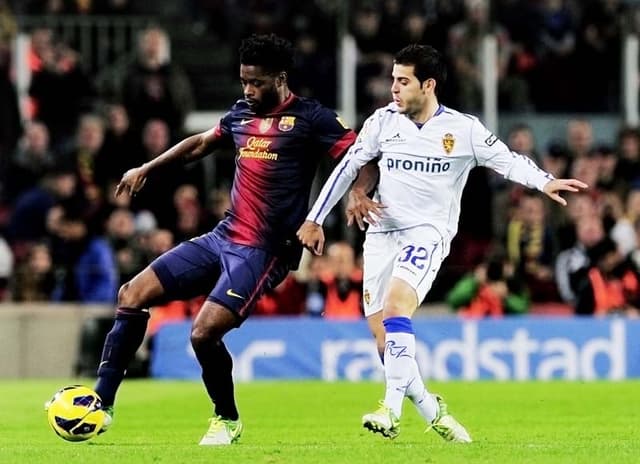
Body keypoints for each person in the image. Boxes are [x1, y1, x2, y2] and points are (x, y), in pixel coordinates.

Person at [297, 44, 588, 442]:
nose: (393, 88)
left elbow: (506, 159)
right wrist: (315, 218)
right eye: (393, 80)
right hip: (381, 234)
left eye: (403, 81)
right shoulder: (382, 122)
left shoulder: (462, 129)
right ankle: (434, 411)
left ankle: (389, 409)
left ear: (428, 84)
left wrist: (544, 181)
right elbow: (348, 167)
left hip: (427, 235)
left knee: (399, 305)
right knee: (386, 342)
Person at [80, 34, 357, 445]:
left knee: (203, 333)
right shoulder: (241, 114)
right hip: (222, 237)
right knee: (131, 293)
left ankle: (226, 419)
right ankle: (100, 403)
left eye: (257, 82)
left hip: (265, 251)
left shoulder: (312, 118)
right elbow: (200, 145)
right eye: (244, 81)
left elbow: (357, 158)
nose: (248, 90)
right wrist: (148, 167)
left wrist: (356, 195)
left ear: (280, 79)